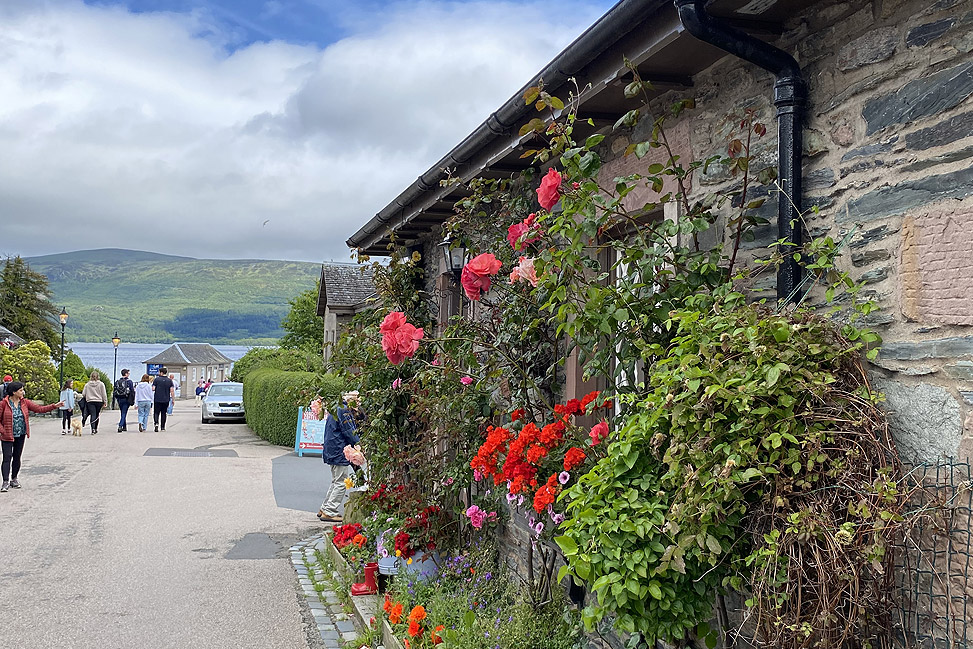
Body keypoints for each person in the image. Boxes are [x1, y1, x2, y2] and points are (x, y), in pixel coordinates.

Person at [0, 381, 63, 492]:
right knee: (7, 458)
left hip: (21, 434)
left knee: (17, 457)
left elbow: (39, 409)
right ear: (14, 392)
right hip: (8, 435)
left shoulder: (24, 403)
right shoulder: (4, 404)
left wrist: (54, 406)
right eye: (20, 390)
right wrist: (3, 431)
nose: (22, 392)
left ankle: (14, 479)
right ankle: (5, 481)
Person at [318, 391, 363, 523]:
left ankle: (325, 508)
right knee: (341, 482)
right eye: (357, 401)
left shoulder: (337, 408)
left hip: (332, 449)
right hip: (339, 450)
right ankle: (330, 511)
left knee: (335, 480)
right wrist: (359, 446)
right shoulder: (344, 411)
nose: (358, 404)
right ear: (352, 400)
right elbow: (349, 431)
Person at [151, 367, 174, 432]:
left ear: (161, 372)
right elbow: (172, 390)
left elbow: (153, 388)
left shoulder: (156, 380)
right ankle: (163, 427)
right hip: (166, 399)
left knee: (156, 412)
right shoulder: (169, 380)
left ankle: (156, 423)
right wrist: (173, 399)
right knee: (164, 413)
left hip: (157, 398)